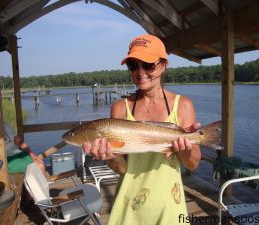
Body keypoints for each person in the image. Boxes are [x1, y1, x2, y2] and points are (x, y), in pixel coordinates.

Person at [83, 34, 201, 225]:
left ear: (163, 65)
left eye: (148, 64)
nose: (140, 72)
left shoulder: (183, 106)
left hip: (169, 206)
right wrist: (110, 156)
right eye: (133, 65)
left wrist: (186, 148)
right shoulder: (120, 108)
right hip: (129, 206)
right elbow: (122, 168)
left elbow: (193, 164)